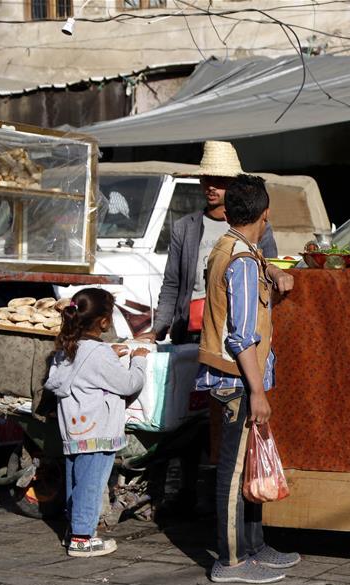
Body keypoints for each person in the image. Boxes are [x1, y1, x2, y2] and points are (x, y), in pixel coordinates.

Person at [134, 141, 284, 516]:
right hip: (193, 331)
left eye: (219, 181)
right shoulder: (186, 227)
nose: (211, 187)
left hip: (231, 337)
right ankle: (184, 491)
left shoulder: (255, 228)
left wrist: (277, 271)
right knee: (184, 418)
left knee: (221, 423)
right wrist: (158, 328)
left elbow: (266, 265)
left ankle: (213, 495)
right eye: (206, 180)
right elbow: (173, 283)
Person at [196, 174, 298, 584]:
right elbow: (240, 337)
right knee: (235, 470)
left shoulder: (234, 248)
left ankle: (254, 546)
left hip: (239, 378)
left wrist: (270, 269)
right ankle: (232, 560)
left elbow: (252, 263)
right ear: (265, 214)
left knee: (250, 461)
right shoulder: (240, 261)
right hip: (237, 380)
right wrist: (257, 391)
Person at [45, 288, 150, 557]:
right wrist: (138, 362)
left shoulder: (66, 349)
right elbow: (129, 384)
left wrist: (110, 355)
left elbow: (84, 370)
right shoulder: (99, 353)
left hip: (74, 431)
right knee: (90, 485)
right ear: (104, 322)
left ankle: (74, 531)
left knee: (76, 483)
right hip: (99, 432)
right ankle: (82, 538)